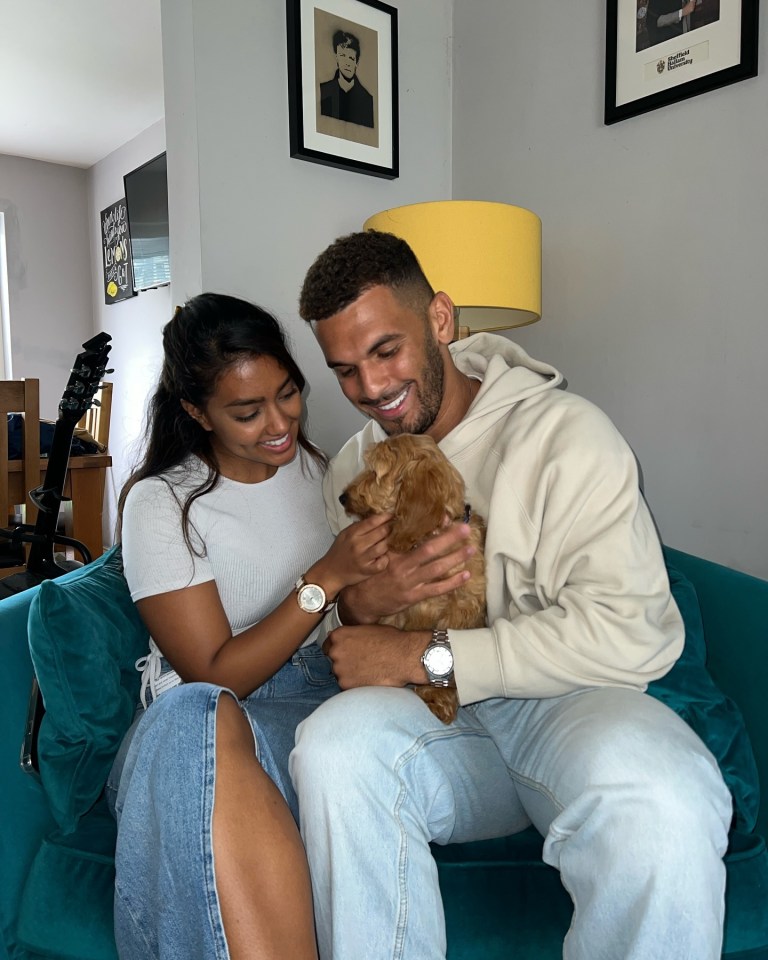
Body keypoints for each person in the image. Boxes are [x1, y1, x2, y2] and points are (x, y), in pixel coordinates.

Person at [290, 230, 733, 960]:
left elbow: (631, 633)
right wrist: (359, 608)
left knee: (665, 801)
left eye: (385, 351)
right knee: (332, 748)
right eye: (344, 370)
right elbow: (344, 633)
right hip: (440, 728)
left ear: (439, 319)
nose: (369, 389)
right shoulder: (358, 465)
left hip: (571, 703)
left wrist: (425, 655)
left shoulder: (570, 437)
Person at [106, 293, 390, 960]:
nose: (279, 423)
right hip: (201, 726)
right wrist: (326, 577)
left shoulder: (325, 472)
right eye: (246, 411)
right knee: (195, 712)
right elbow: (213, 672)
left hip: (314, 705)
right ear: (196, 412)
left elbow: (362, 616)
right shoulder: (163, 503)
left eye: (288, 394)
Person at [319, 29, 374, 128]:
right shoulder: (323, 91)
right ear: (337, 58)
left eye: (351, 58)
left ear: (356, 63)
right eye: (343, 56)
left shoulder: (367, 100)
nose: (347, 63)